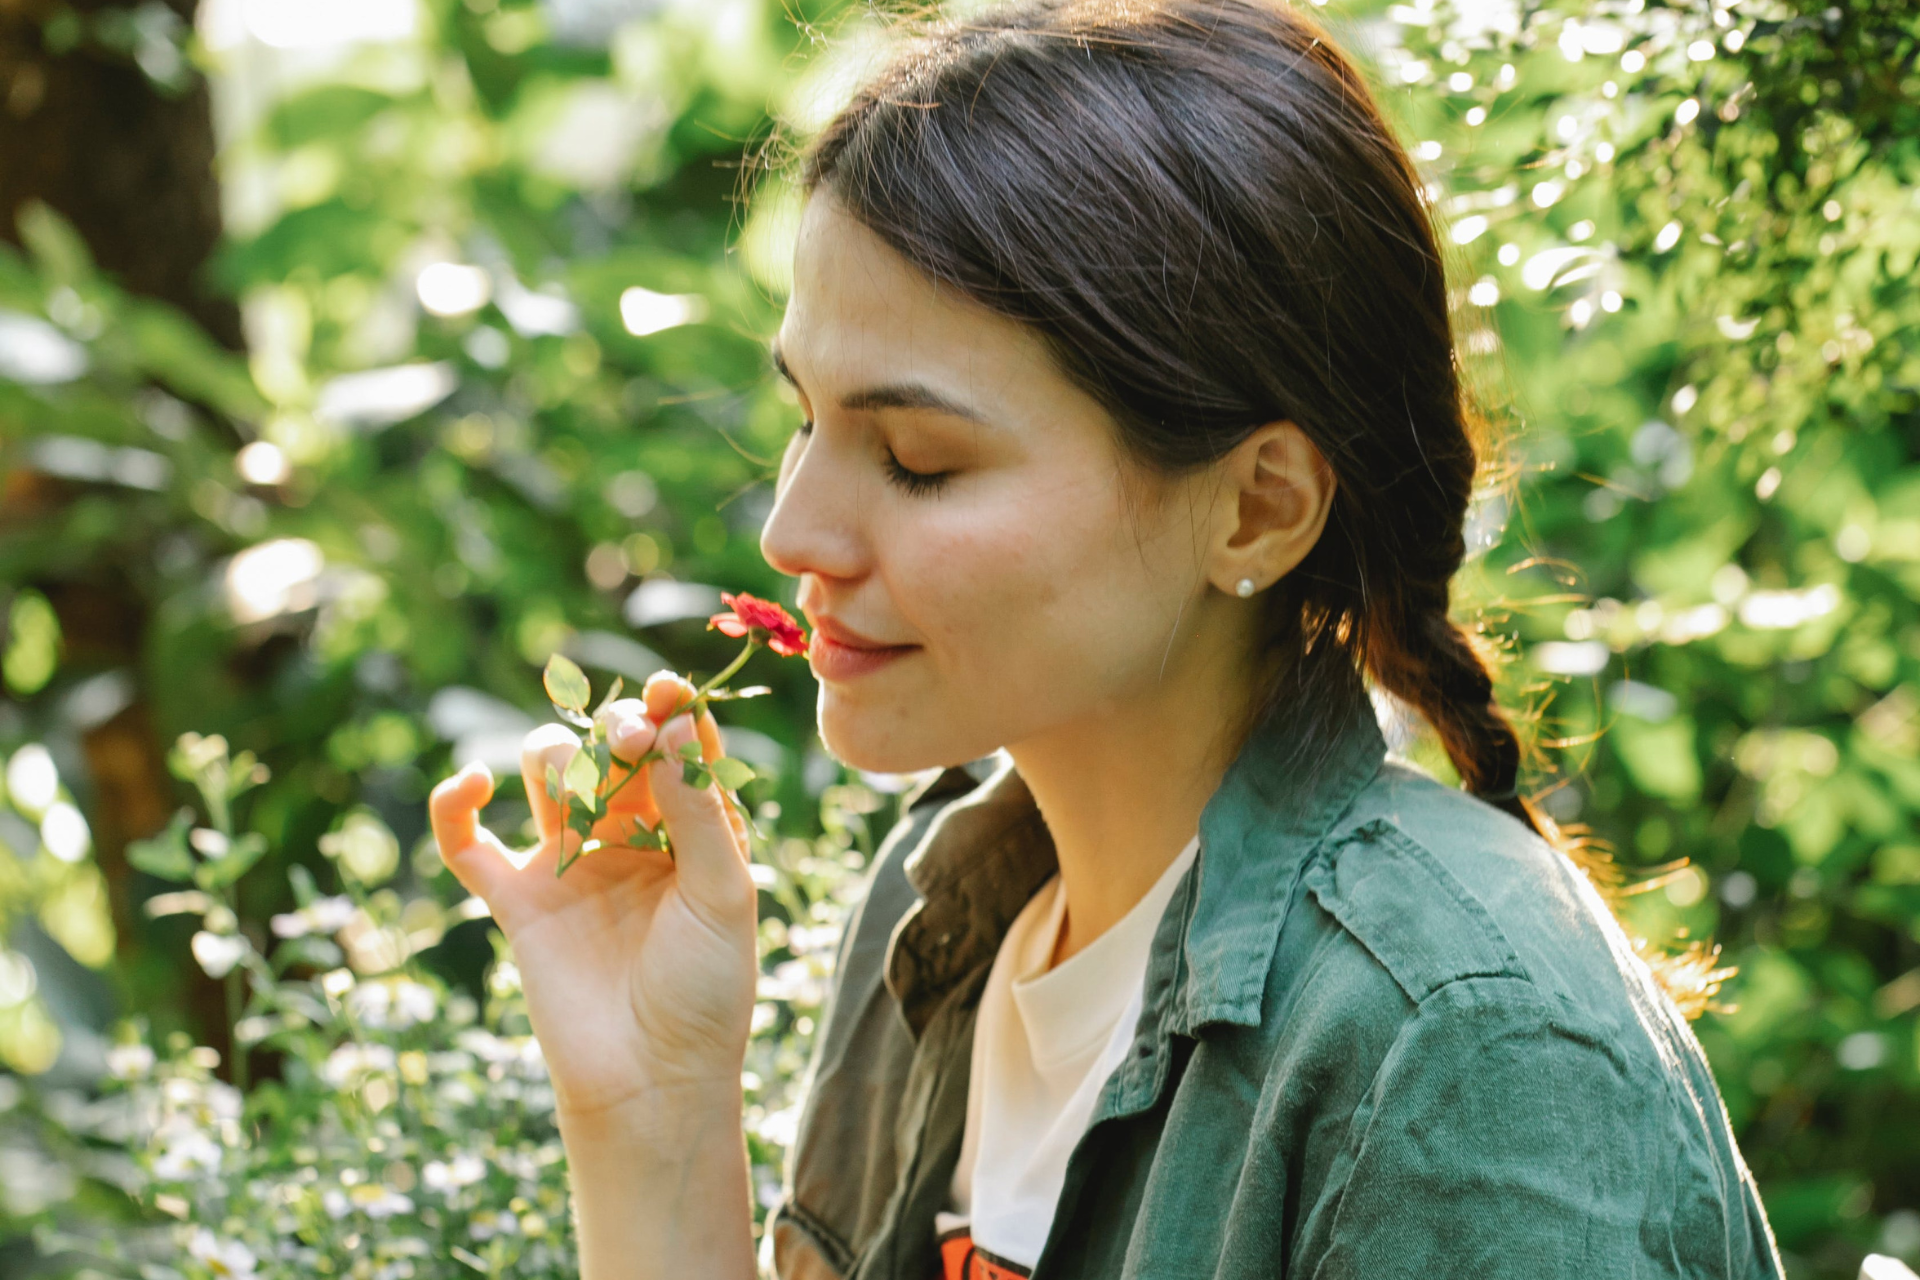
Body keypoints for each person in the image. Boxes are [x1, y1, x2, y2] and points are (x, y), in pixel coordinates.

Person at [427, 0, 1786, 1275]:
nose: (793, 533)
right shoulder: (947, 901)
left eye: (916, 459)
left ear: (1256, 510)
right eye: (805, 418)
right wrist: (651, 1102)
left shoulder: (1463, 1045)